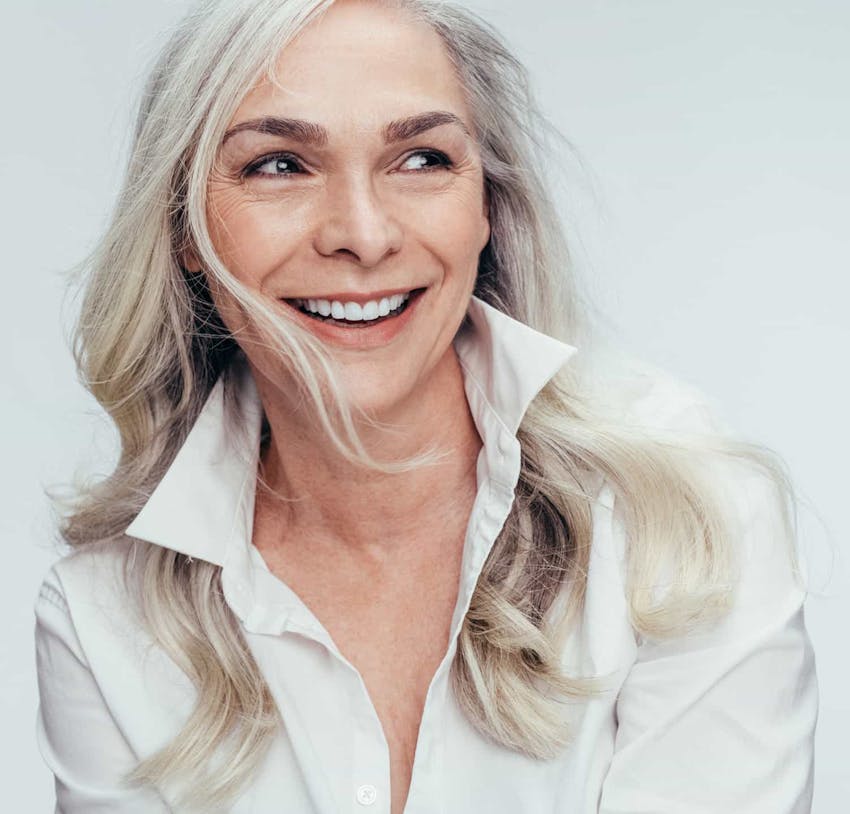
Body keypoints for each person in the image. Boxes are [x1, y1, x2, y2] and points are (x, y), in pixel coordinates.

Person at [33, 0, 818, 812]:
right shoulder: (103, 617)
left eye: (420, 159)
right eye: (278, 165)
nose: (364, 236)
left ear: (487, 209)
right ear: (186, 229)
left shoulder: (683, 508)